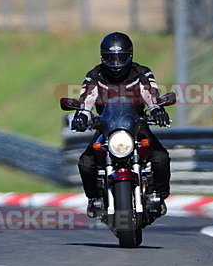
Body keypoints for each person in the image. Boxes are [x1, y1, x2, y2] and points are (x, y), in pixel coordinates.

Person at [71, 31, 171, 218]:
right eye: (111, 59)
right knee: (86, 163)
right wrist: (82, 115)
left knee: (161, 158)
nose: (116, 64)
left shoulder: (141, 72)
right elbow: (87, 97)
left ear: (130, 57)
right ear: (103, 58)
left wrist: (157, 110)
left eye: (121, 58)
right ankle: (94, 199)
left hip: (137, 126)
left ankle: (159, 196)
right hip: (106, 128)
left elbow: (150, 92)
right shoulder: (95, 75)